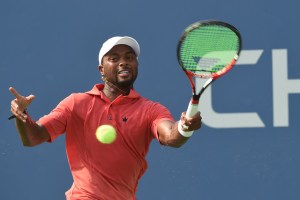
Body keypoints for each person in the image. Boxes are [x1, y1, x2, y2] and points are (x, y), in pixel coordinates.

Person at [9, 36, 202, 200]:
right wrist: (22, 115)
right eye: (114, 58)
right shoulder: (76, 103)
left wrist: (185, 126)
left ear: (136, 65)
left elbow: (172, 137)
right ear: (101, 70)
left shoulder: (150, 109)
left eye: (129, 57)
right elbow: (33, 137)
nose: (123, 62)